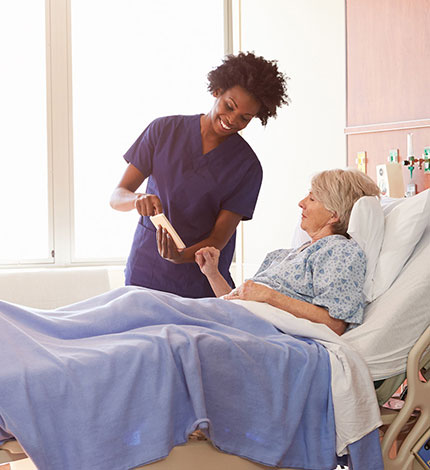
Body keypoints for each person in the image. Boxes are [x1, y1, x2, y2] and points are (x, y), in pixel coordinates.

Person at [110, 52, 289, 298]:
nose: (231, 120)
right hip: (147, 268)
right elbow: (117, 196)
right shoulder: (163, 130)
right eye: (229, 106)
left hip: (201, 278)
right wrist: (137, 200)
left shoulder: (247, 167)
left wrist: (180, 256)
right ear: (217, 91)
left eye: (244, 118)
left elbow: (218, 238)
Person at [196, 168, 381, 335]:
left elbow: (334, 324)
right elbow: (239, 300)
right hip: (234, 319)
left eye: (312, 198)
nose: (301, 203)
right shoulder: (283, 255)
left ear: (334, 214)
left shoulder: (339, 252)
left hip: (260, 333)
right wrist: (212, 274)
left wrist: (268, 296)